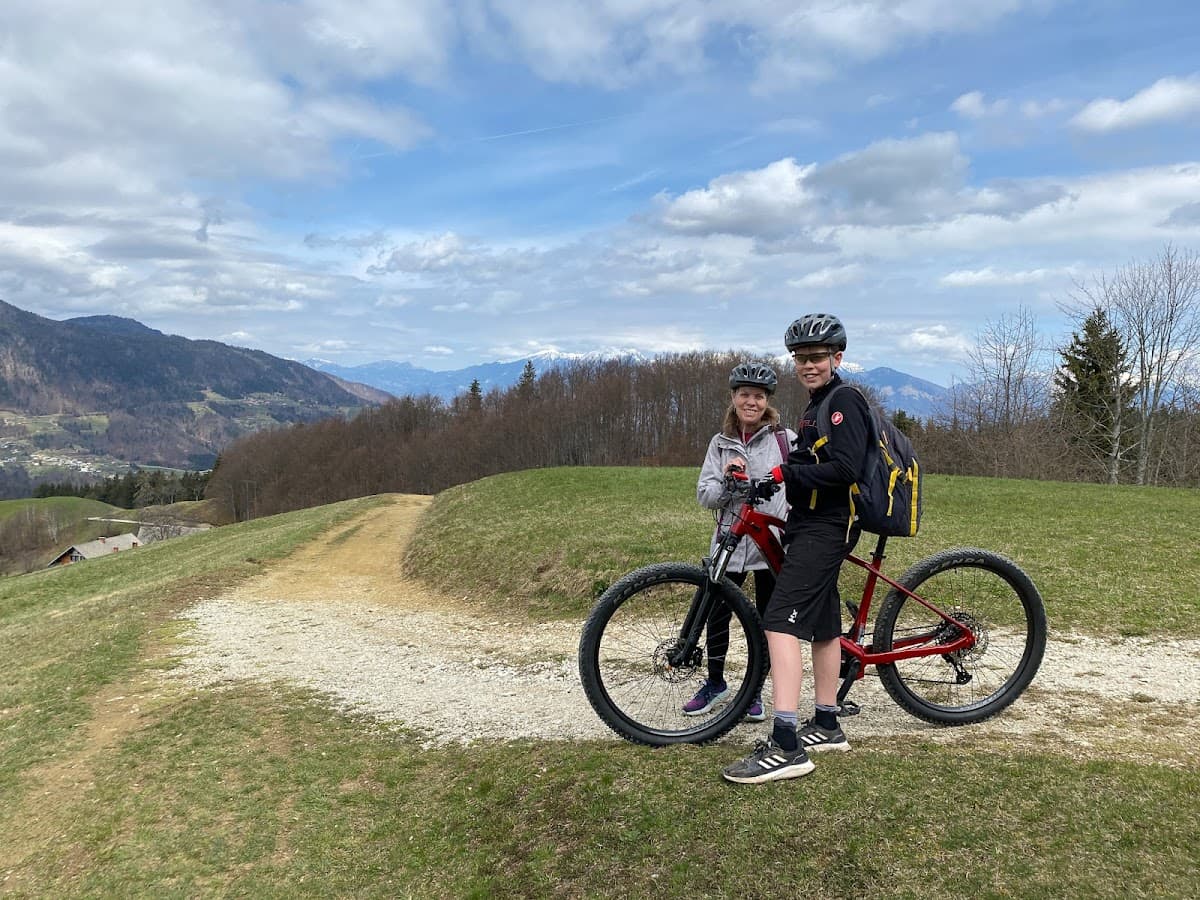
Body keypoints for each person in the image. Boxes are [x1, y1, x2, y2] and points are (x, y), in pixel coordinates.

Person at [722, 313, 871, 784]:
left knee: (777, 619)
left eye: (817, 358)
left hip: (827, 526)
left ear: (837, 358)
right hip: (811, 522)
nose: (808, 365)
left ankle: (787, 745)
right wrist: (774, 480)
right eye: (801, 358)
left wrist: (789, 474)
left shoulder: (843, 399)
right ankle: (826, 722)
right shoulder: (816, 406)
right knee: (824, 625)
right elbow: (813, 458)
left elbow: (846, 468)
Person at [690, 362, 795, 722]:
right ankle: (715, 683)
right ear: (733, 398)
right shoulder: (719, 444)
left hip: (770, 546)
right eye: (745, 395)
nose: (752, 402)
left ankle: (756, 691)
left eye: (759, 396)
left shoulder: (785, 440)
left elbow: (799, 485)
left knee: (769, 624)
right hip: (729, 544)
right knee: (716, 618)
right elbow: (704, 495)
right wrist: (726, 483)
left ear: (767, 402)